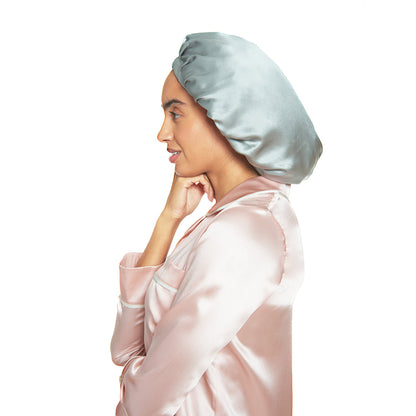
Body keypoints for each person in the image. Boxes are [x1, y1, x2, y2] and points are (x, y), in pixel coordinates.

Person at [110, 32, 323, 416]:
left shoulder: (244, 232)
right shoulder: (228, 221)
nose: (162, 133)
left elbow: (143, 403)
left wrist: (136, 378)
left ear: (225, 115)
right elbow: (125, 351)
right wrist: (170, 217)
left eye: (175, 114)